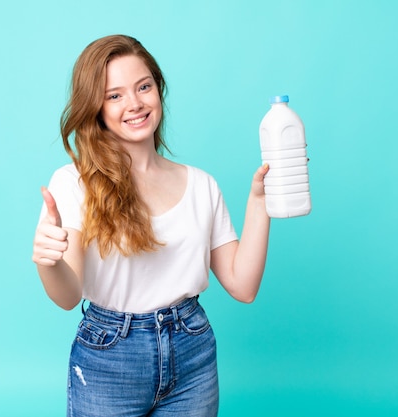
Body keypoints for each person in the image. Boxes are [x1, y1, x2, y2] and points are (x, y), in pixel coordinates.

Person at [32, 34, 271, 417]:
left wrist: (260, 203)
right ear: (96, 107)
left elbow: (243, 286)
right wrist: (48, 261)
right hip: (110, 358)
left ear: (158, 90)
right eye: (115, 95)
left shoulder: (201, 185)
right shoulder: (74, 182)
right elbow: (67, 295)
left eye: (144, 87)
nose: (135, 103)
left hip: (192, 351)